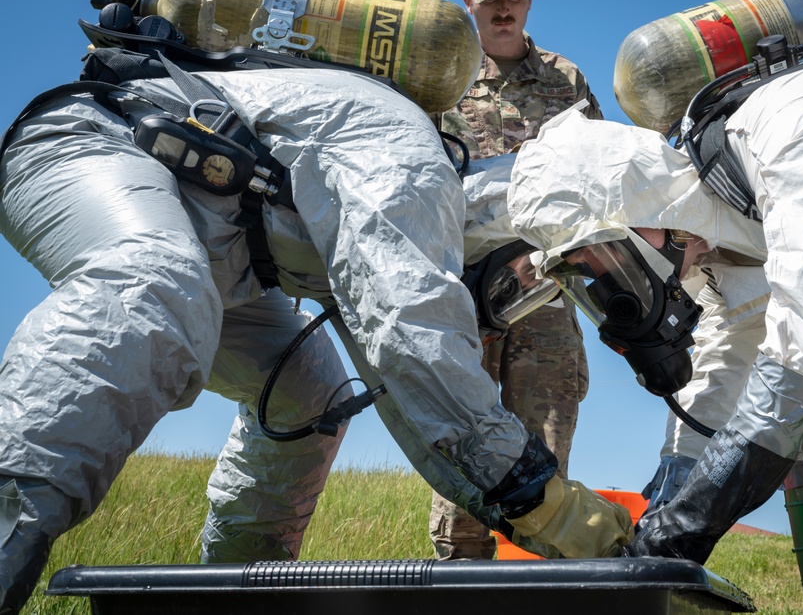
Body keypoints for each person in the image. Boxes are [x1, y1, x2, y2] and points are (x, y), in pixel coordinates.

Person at [0, 30, 634, 615]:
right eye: (505, 282)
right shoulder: (409, 160)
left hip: (219, 249)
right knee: (154, 284)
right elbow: (414, 335)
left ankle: (236, 598)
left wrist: (534, 512)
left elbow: (422, 407)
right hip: (90, 143)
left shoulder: (394, 216)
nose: (493, 310)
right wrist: (553, 509)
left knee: (310, 392)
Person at [506, 12, 803, 610]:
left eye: (602, 264)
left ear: (632, 206)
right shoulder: (722, 240)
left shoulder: (795, 129)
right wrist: (655, 534)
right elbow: (722, 385)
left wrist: (688, 527)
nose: (612, 290)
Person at [427, 0, 603, 561]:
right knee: (464, 434)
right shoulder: (436, 74)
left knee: (546, 440)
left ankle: (539, 573)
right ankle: (457, 577)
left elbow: (598, 179)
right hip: (464, 293)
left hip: (547, 294)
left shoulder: (566, 80)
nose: (504, 8)